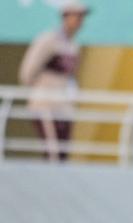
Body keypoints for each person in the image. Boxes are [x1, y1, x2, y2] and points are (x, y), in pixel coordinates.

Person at [18, 1, 88, 161]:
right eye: (77, 16)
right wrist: (44, 90)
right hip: (46, 105)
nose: (80, 20)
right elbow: (27, 73)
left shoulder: (74, 45)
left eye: (82, 17)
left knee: (63, 153)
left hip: (64, 106)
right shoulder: (48, 40)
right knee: (52, 152)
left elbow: (70, 77)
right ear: (66, 16)